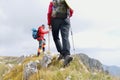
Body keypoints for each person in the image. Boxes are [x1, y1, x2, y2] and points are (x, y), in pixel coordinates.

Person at [47, 0, 73, 67]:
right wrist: (68, 17)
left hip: (55, 20)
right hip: (65, 19)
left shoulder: (52, 2)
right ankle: (67, 55)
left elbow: (49, 13)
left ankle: (62, 53)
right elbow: (71, 11)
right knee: (65, 37)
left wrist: (49, 23)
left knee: (56, 37)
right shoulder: (66, 1)